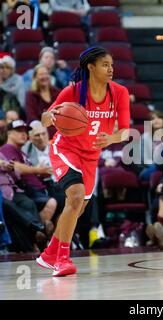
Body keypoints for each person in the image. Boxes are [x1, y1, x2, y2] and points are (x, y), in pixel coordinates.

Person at [36, 46, 130, 277]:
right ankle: (63, 259)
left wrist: (112, 138)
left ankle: (49, 253)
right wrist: (52, 115)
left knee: (77, 208)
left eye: (112, 65)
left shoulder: (119, 92)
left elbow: (126, 132)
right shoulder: (73, 91)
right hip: (65, 148)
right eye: (105, 65)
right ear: (91, 67)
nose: (110, 69)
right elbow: (45, 120)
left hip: (91, 155)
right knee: (76, 197)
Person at [25, 64, 60, 139]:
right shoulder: (30, 95)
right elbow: (31, 117)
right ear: (35, 78)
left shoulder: (57, 92)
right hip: (40, 131)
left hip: (57, 129)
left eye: (46, 74)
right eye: (41, 74)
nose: (44, 77)